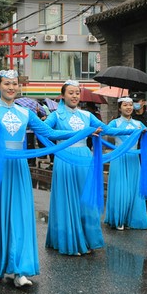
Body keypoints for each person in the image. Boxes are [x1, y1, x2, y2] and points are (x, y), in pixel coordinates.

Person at [0, 71, 65, 287]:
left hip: (18, 168)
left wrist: (83, 132)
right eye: (7, 83)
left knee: (19, 215)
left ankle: (19, 269)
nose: (11, 87)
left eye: (14, 84)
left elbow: (49, 133)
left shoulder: (25, 113)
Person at [44, 80, 107, 255]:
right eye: (71, 93)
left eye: (77, 93)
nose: (74, 96)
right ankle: (71, 240)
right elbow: (44, 131)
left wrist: (136, 132)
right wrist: (75, 135)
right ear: (63, 95)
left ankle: (88, 240)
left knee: (86, 200)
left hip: (85, 158)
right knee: (68, 199)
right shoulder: (56, 115)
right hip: (65, 158)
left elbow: (106, 129)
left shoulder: (86, 116)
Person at [104, 97, 147, 231]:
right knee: (120, 189)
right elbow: (106, 131)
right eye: (125, 105)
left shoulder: (138, 124)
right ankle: (119, 219)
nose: (128, 107)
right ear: (119, 108)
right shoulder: (115, 122)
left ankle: (132, 219)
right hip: (119, 158)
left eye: (130, 105)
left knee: (133, 189)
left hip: (134, 159)